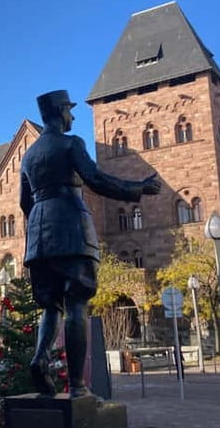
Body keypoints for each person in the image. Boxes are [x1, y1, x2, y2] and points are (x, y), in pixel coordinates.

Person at [21, 90, 162, 397]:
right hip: (71, 228)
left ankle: (39, 358)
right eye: (70, 111)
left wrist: (39, 229)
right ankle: (78, 387)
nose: (73, 116)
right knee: (75, 306)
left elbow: (24, 203)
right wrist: (140, 187)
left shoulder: (29, 156)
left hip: (39, 237)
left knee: (50, 307)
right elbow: (96, 179)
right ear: (60, 112)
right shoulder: (72, 144)